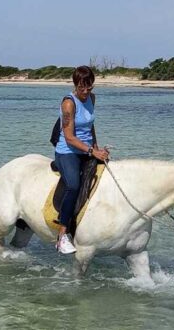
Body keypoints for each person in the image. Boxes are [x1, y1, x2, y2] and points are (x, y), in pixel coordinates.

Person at [54, 65, 110, 254]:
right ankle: (62, 236)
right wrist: (91, 151)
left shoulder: (92, 98)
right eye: (81, 88)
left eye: (89, 88)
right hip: (67, 151)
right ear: (75, 85)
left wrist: (97, 148)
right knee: (74, 185)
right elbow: (69, 137)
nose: (85, 92)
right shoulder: (69, 103)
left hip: (87, 150)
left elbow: (90, 127)